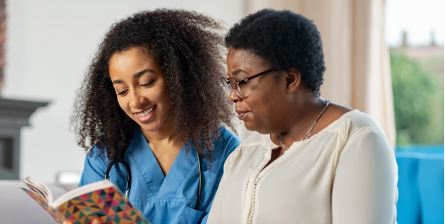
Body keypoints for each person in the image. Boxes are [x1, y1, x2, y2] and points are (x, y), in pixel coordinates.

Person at [208, 9, 398, 224]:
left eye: (242, 81)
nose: (233, 96)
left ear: (290, 79)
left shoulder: (357, 140)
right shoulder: (246, 152)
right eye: (230, 83)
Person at [70, 9, 240, 224]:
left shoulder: (223, 152)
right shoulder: (105, 158)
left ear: (177, 76)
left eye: (146, 83)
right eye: (122, 91)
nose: (135, 102)